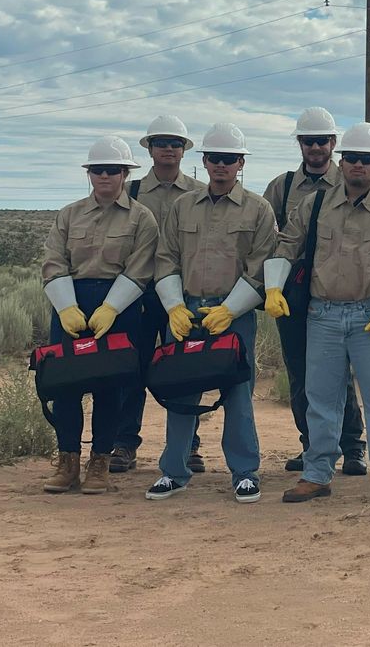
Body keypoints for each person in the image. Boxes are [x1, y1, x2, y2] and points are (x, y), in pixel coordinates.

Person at [267, 123, 370, 509]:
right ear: (342, 161)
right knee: (319, 398)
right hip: (321, 313)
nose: (358, 165)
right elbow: (287, 244)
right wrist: (273, 286)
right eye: (352, 158)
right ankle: (317, 473)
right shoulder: (315, 204)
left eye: (367, 160)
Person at [146, 122, 275, 504]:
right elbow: (166, 259)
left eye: (229, 159)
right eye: (215, 158)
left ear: (240, 164)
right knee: (182, 392)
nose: (221, 165)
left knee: (238, 393)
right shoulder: (182, 207)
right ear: (204, 161)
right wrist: (173, 307)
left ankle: (245, 473)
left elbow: (261, 267)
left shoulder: (259, 210)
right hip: (185, 312)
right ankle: (174, 471)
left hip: (233, 315)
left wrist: (229, 309)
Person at [40, 137, 158, 495]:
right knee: (65, 386)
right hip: (70, 304)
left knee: (111, 387)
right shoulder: (69, 214)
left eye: (112, 170)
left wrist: (111, 307)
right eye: (97, 169)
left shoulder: (142, 218)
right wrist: (65, 308)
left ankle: (100, 464)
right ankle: (68, 461)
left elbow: (141, 268)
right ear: (89, 173)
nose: (104, 176)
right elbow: (53, 261)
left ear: (125, 173)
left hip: (118, 307)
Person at [262, 107, 367, 476]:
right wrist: (273, 288)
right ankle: (312, 445)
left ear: (334, 144)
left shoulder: (352, 180)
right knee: (300, 372)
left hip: (337, 289)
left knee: (340, 372)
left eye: (322, 140)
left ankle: (352, 447)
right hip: (295, 291)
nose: (316, 147)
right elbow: (269, 240)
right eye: (309, 141)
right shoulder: (283, 187)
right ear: (300, 144)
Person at [109, 115, 205, 475]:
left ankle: (189, 445)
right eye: (161, 142)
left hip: (185, 295)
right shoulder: (129, 191)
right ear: (148, 148)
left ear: (184, 150)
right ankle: (124, 443)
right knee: (132, 368)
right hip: (138, 293)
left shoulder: (199, 191)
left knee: (185, 370)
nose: (168, 148)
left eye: (175, 143)